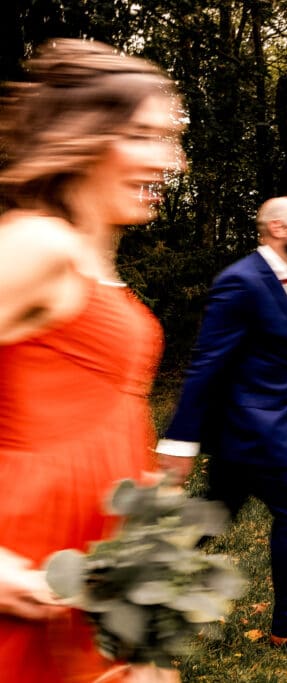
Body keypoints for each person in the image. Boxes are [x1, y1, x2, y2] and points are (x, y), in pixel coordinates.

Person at [0, 39, 183, 681]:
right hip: (22, 552)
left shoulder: (87, 257)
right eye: (144, 136)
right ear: (83, 136)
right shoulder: (36, 243)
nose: (171, 160)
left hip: (86, 560)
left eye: (170, 139)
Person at [156, 197, 287, 657]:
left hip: (257, 433)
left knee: (211, 515)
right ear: (278, 228)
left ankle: (143, 575)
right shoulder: (241, 282)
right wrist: (179, 443)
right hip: (258, 432)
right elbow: (205, 366)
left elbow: (285, 360)